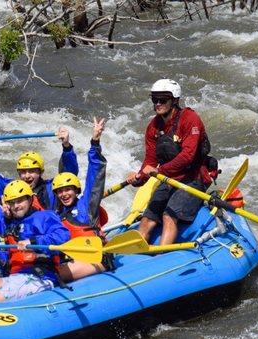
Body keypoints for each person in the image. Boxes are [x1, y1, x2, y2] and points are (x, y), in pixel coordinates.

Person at [126, 79, 213, 245]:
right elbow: (150, 161)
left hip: (193, 178)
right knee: (147, 218)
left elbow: (188, 155)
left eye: (162, 100)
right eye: (155, 100)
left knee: (169, 214)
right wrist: (139, 178)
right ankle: (137, 255)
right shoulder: (153, 126)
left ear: (175, 100)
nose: (158, 104)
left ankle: (162, 255)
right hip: (167, 179)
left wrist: (159, 172)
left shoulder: (190, 118)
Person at [0, 180, 70, 303]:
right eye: (12, 203)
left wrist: (33, 241)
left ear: (30, 199)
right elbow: (6, 261)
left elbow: (63, 235)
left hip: (39, 277)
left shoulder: (45, 216)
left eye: (20, 201)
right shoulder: (10, 225)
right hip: (14, 277)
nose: (16, 206)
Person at [0, 128, 78, 210]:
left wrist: (66, 146)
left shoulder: (51, 189)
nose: (27, 176)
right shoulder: (10, 188)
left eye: (32, 171)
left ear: (41, 172)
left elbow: (68, 176)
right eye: (23, 172)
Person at [53, 117, 108, 281]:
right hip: (72, 260)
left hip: (96, 258)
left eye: (68, 190)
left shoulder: (87, 205)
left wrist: (95, 142)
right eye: (60, 192)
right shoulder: (56, 215)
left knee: (56, 275)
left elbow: (95, 175)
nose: (64, 194)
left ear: (76, 191)